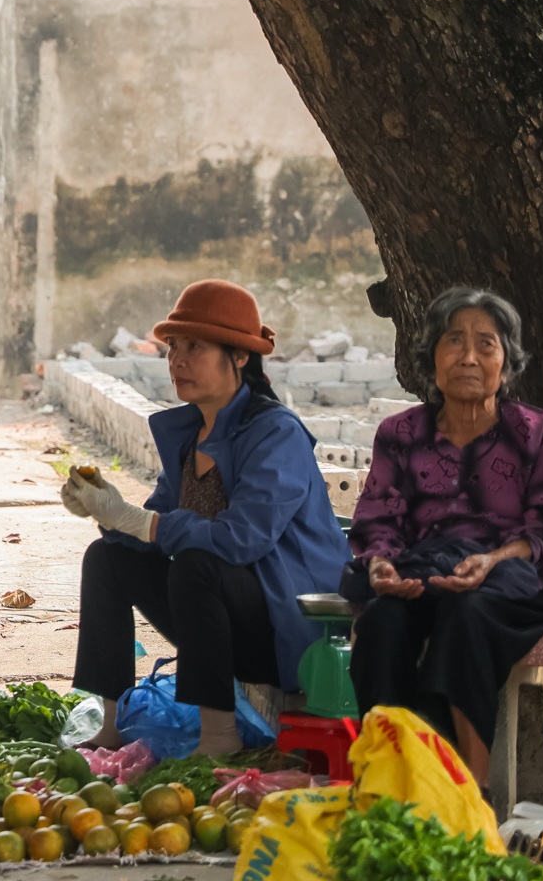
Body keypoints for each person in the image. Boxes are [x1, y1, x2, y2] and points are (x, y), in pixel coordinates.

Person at [62, 280, 350, 755]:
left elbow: (242, 541)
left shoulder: (275, 433)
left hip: (287, 630)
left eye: (195, 347)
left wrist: (137, 521)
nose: (177, 360)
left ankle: (220, 739)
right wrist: (107, 512)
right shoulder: (191, 433)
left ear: (238, 356)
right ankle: (112, 722)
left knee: (199, 561)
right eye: (173, 347)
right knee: (107, 558)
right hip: (217, 623)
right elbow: (154, 523)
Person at [347, 287, 543, 789]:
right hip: (422, 571)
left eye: (487, 344)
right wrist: (380, 567)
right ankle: (388, 778)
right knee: (382, 622)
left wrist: (492, 560)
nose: (469, 357)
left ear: (508, 360)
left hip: (517, 580)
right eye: (453, 341)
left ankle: (470, 791)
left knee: (467, 612)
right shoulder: (400, 433)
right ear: (431, 355)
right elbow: (377, 520)